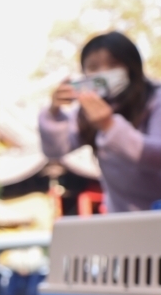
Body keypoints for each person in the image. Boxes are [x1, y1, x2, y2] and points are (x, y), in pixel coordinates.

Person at [39, 31, 161, 212]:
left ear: (132, 66)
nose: (103, 73)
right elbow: (55, 150)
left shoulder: (155, 98)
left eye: (113, 64)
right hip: (123, 221)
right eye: (93, 67)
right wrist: (53, 112)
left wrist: (110, 126)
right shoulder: (87, 110)